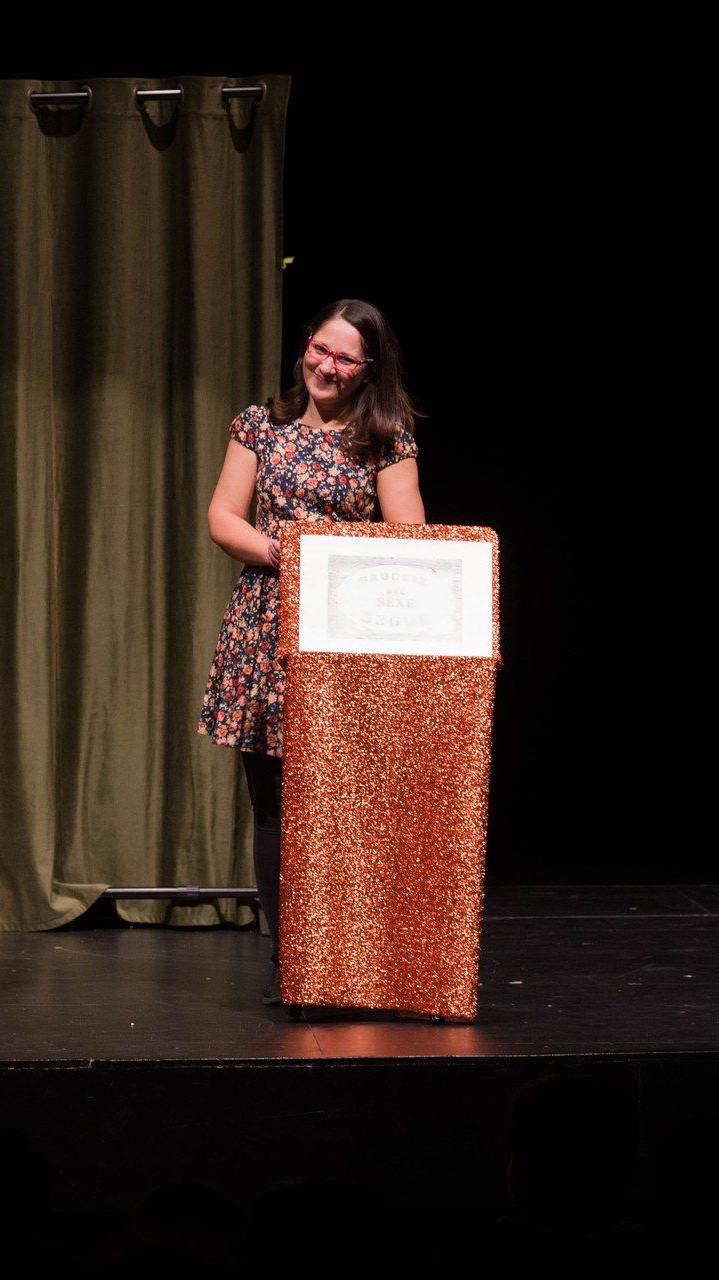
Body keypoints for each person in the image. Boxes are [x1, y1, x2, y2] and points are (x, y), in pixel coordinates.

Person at [197, 298, 424, 997]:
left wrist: (339, 567)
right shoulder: (259, 423)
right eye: (318, 349)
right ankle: (290, 953)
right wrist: (287, 554)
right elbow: (222, 516)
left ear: (368, 369)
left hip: (348, 628)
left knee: (344, 797)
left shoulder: (386, 436)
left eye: (343, 357)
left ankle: (349, 947)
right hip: (268, 622)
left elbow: (410, 535)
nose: (325, 365)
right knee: (274, 804)